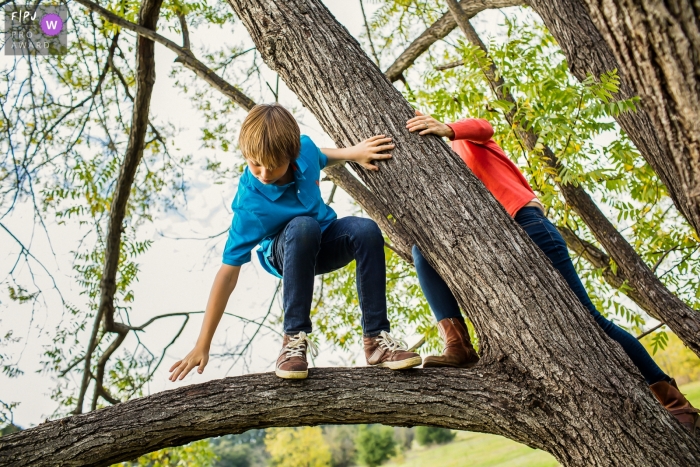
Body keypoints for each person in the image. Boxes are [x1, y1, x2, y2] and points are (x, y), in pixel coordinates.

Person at [405, 110, 699, 432]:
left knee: (589, 321)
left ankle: (675, 403)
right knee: (422, 248)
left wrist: (447, 128)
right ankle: (458, 343)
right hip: (496, 242)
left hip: (529, 226)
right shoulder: (443, 182)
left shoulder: (464, 141)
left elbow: (484, 126)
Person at [169, 103, 421, 381]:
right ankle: (293, 343)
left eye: (273, 165)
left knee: (366, 230)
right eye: (255, 164)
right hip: (284, 252)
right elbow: (228, 274)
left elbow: (319, 155)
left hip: (323, 242)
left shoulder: (305, 150)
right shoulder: (250, 205)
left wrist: (353, 154)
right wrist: (203, 343)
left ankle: (376, 341)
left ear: (291, 155)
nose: (264, 173)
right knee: (304, 225)